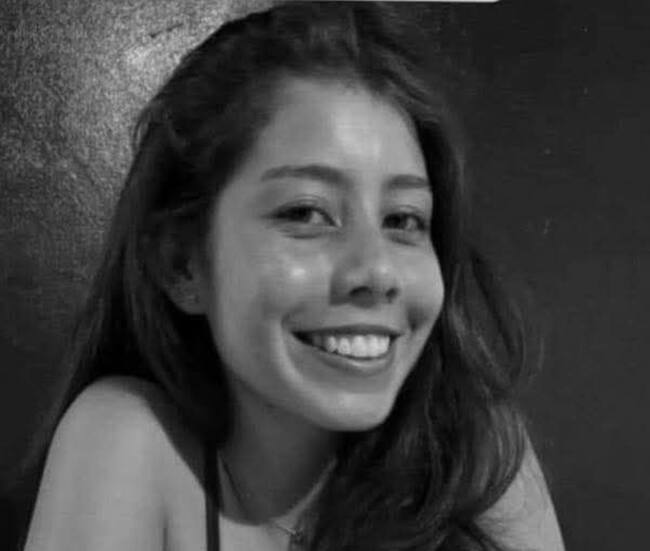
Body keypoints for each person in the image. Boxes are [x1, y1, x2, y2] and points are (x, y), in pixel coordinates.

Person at [20, 2, 564, 550]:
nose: (377, 270)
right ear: (182, 264)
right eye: (305, 212)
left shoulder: (473, 454)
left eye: (403, 220)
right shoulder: (129, 438)